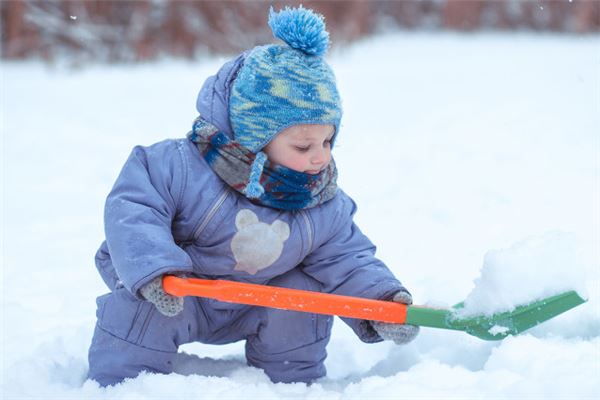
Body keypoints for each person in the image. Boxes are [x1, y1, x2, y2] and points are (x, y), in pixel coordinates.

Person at [87, 6, 419, 387]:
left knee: (303, 296)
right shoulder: (177, 167)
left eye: (328, 140)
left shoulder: (320, 198)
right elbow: (134, 209)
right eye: (303, 145)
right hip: (181, 293)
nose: (320, 156)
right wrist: (154, 270)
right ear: (254, 138)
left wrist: (381, 302)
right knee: (140, 310)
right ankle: (121, 386)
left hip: (263, 300)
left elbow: (346, 257)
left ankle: (293, 386)